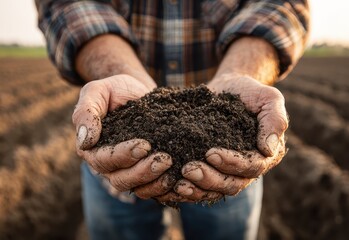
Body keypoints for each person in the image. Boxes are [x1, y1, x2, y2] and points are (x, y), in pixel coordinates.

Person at [36, 0, 309, 239]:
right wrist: (118, 70)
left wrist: (240, 73)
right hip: (117, 159)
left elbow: (281, 4)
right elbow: (66, 4)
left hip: (229, 165)